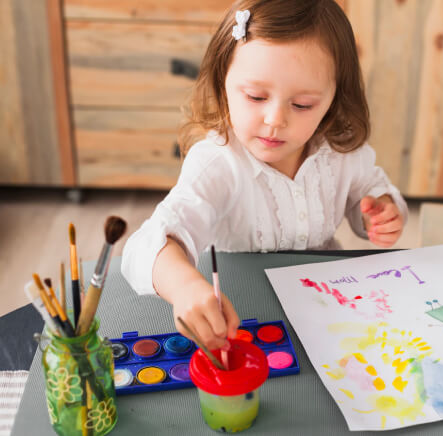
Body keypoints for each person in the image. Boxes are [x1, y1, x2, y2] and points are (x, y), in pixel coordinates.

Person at [121, 0, 408, 351]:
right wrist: (184, 287)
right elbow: (144, 248)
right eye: (256, 97)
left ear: (334, 98)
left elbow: (370, 190)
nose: (275, 120)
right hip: (240, 317)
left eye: (302, 104)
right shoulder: (218, 162)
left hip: (325, 310)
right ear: (223, 83)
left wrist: (381, 211)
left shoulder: (340, 151)